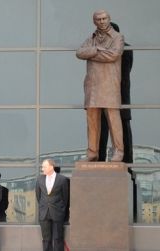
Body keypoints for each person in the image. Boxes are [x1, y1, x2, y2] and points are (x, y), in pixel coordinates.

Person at [76, 10, 125, 162]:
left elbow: (113, 55)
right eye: (98, 19)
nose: (102, 21)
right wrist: (97, 49)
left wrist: (92, 54)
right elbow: (79, 53)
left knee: (113, 119)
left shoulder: (118, 37)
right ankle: (92, 152)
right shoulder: (92, 38)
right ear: (94, 22)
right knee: (92, 120)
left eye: (104, 18)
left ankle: (119, 150)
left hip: (109, 84)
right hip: (93, 86)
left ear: (109, 19)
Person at [98, 22, 134, 163]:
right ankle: (99, 162)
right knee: (101, 130)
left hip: (119, 97)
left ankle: (127, 164)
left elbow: (124, 74)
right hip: (102, 96)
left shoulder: (126, 49)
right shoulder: (99, 48)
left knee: (123, 130)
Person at [36, 159, 69, 251]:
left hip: (58, 213)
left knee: (58, 238)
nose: (42, 169)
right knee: (46, 239)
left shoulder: (62, 179)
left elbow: (65, 197)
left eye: (44, 166)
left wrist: (61, 209)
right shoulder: (39, 179)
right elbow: (38, 196)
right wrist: (44, 207)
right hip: (44, 213)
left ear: (51, 167)